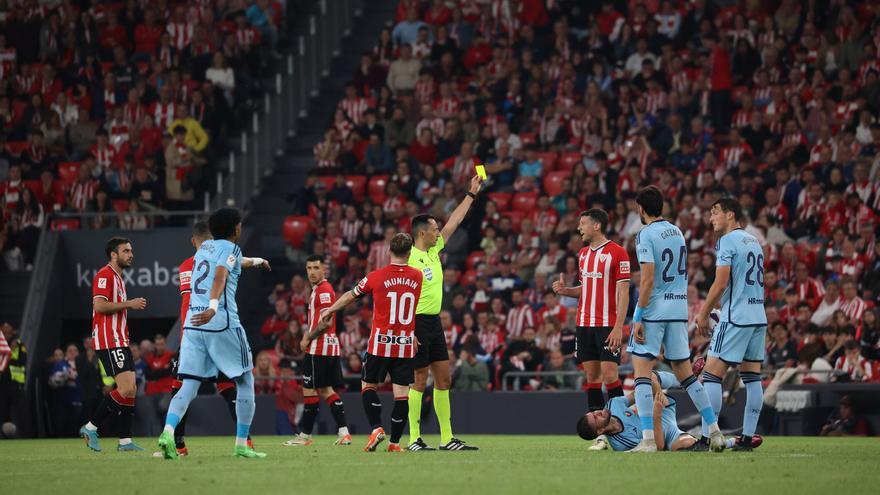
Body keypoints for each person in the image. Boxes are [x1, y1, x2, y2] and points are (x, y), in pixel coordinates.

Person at [156, 207, 271, 460]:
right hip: (221, 322)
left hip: (193, 327)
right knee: (245, 381)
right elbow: (220, 275)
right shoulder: (231, 248)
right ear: (237, 229)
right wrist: (213, 306)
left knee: (188, 386)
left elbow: (229, 263)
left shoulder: (203, 250)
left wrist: (257, 261)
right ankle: (242, 444)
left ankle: (167, 432)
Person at [629, 186, 724, 452]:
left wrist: (638, 315)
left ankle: (648, 440)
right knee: (687, 375)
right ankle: (714, 431)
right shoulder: (677, 232)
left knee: (642, 373)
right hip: (678, 310)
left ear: (641, 208)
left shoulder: (645, 234)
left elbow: (647, 280)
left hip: (654, 310)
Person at [314, 233, 422, 452]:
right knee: (402, 394)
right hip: (404, 344)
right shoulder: (418, 276)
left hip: (380, 343)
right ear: (409, 253)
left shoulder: (376, 276)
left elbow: (350, 296)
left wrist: (330, 310)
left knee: (369, 386)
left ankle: (376, 429)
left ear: (389, 251)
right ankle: (394, 444)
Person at [406, 175, 483, 452]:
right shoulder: (410, 260)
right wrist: (407, 331)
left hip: (434, 322)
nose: (440, 232)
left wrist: (471, 194)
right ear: (422, 233)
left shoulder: (435, 249)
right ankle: (414, 438)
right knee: (418, 379)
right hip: (415, 323)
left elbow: (455, 221)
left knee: (444, 379)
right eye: (435, 229)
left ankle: (446, 438)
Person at [552, 208, 630, 450]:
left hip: (607, 324)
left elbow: (624, 292)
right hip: (584, 324)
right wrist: (567, 291)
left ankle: (621, 428)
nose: (579, 228)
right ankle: (600, 436)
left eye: (583, 223)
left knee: (610, 376)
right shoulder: (583, 254)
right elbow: (585, 288)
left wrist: (619, 326)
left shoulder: (618, 253)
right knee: (593, 378)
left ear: (596, 226)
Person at [695, 198, 767, 452]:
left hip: (735, 317)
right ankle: (747, 438)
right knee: (752, 377)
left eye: (715, 213)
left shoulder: (727, 241)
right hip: (758, 315)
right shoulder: (753, 241)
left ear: (731, 214)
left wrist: (703, 313)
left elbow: (721, 282)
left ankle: (706, 438)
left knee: (711, 376)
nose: (711, 218)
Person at [79, 238, 147, 452]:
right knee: (126, 388)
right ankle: (91, 427)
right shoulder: (104, 275)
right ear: (113, 254)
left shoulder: (118, 277)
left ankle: (125, 441)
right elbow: (100, 306)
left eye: (131, 250)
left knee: (132, 389)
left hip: (119, 339)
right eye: (126, 251)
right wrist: (130, 303)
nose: (131, 254)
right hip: (109, 340)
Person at [577, 371, 759, 451]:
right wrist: (655, 415)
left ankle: (688, 380)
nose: (599, 412)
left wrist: (650, 391)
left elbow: (636, 393)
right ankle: (732, 442)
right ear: (600, 431)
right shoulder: (621, 444)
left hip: (662, 411)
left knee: (647, 376)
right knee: (690, 446)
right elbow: (658, 446)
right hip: (665, 432)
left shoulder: (612, 404)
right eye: (596, 417)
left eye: (594, 412)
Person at [283, 255, 352, 447]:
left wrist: (306, 338)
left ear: (324, 270)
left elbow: (325, 322)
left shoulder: (324, 291)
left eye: (316, 268)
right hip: (329, 347)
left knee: (309, 390)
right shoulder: (320, 290)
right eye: (309, 268)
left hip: (319, 347)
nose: (312, 272)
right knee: (327, 390)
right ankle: (344, 432)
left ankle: (305, 436)